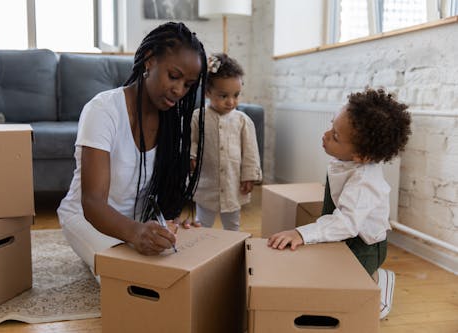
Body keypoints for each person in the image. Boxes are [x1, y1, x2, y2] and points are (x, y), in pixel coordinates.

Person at [57, 22, 207, 276]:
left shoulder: (172, 121)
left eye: (188, 84)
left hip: (136, 223)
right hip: (86, 219)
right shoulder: (103, 110)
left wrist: (165, 225)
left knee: (183, 272)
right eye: (174, 76)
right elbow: (92, 203)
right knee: (136, 281)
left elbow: (164, 192)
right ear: (149, 61)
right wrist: (136, 233)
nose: (179, 90)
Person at [268, 88, 411, 319]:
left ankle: (378, 280)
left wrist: (301, 233)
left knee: (352, 301)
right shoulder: (346, 160)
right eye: (331, 126)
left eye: (335, 136)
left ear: (361, 157)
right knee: (322, 270)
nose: (325, 135)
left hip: (364, 244)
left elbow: (346, 223)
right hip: (343, 230)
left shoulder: (364, 181)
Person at [186, 53, 262, 231]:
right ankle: (202, 249)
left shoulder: (243, 121)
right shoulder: (198, 117)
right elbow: (192, 141)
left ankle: (232, 249)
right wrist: (191, 156)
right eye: (223, 96)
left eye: (236, 95)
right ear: (207, 92)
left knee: (232, 224)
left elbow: (250, 151)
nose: (231, 101)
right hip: (207, 183)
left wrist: (249, 175)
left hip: (232, 184)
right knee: (202, 223)